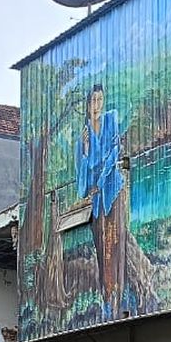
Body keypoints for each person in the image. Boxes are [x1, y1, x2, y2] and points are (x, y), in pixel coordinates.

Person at [76, 84, 126, 314]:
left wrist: (103, 176)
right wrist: (86, 150)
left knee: (115, 243)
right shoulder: (84, 135)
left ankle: (121, 294)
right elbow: (81, 181)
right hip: (96, 201)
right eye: (93, 100)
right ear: (87, 105)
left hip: (112, 189)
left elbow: (115, 150)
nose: (97, 105)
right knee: (100, 247)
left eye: (100, 100)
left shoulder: (111, 119)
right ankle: (107, 299)